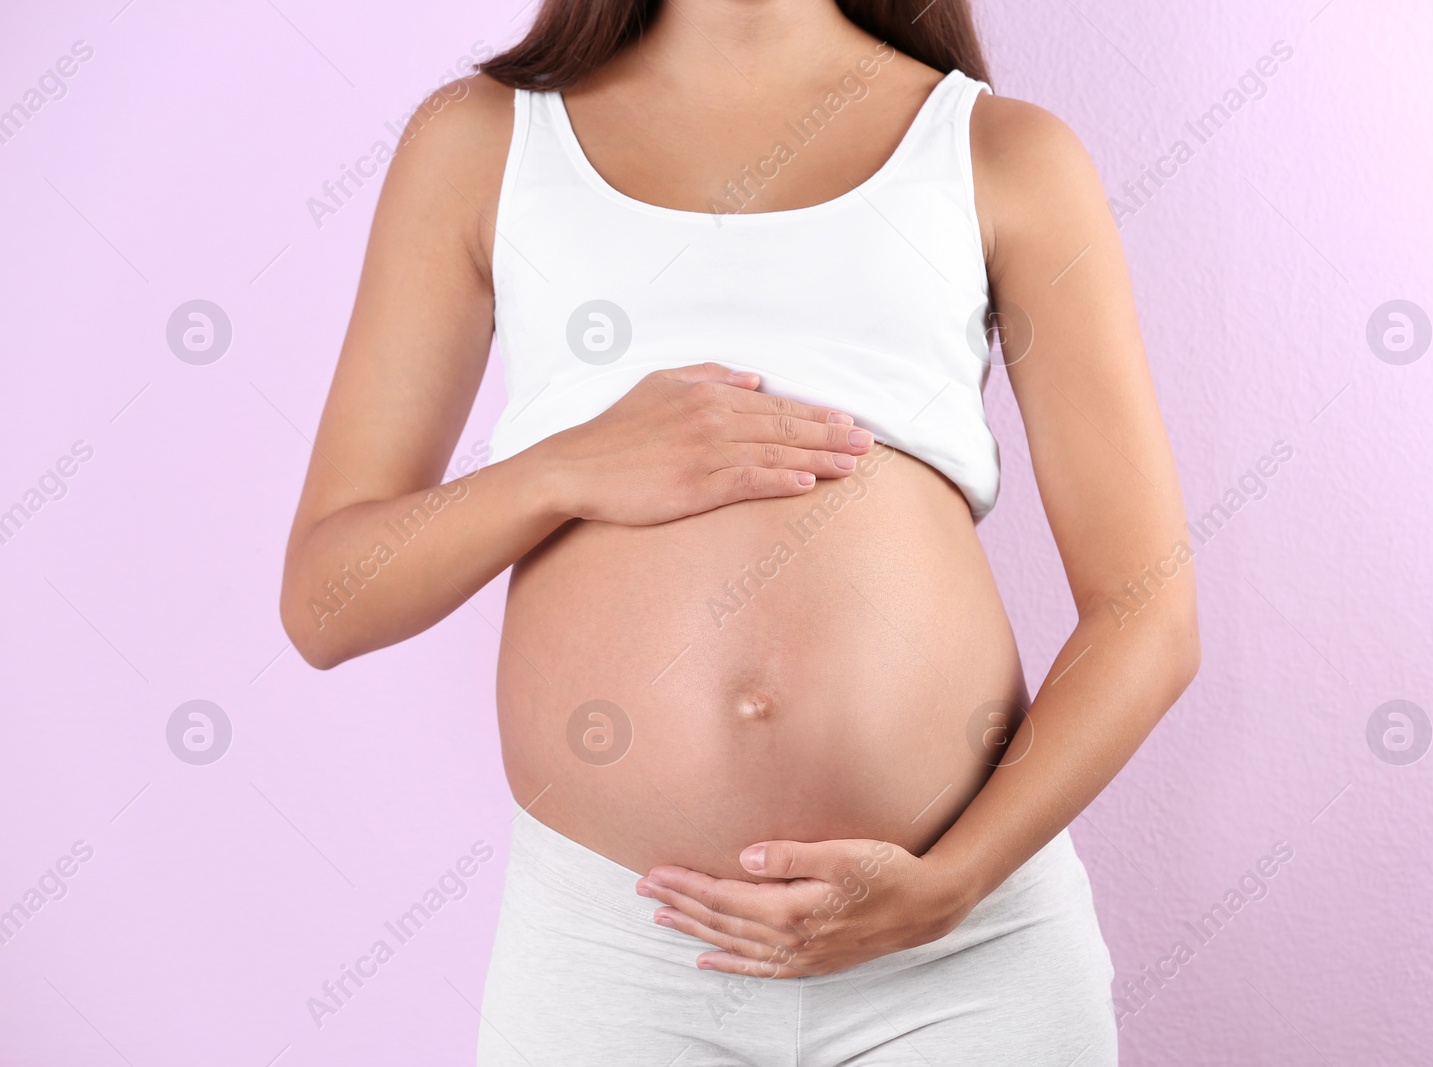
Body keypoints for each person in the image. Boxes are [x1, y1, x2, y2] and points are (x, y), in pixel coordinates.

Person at [279, 0, 1199, 1062]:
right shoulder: (484, 138)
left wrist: (950, 885)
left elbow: (1149, 612)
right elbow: (325, 599)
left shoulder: (1001, 154)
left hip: (958, 954)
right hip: (619, 955)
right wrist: (564, 465)